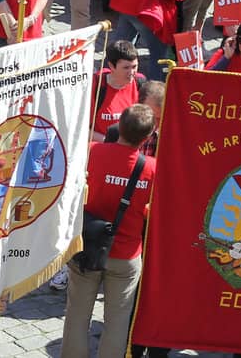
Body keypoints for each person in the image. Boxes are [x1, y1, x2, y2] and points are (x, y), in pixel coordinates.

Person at [60, 104, 156, 358]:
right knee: (118, 322)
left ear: (118, 127)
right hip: (126, 254)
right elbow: (153, 208)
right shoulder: (151, 168)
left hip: (87, 246)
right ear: (147, 138)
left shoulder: (93, 152)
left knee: (77, 316)